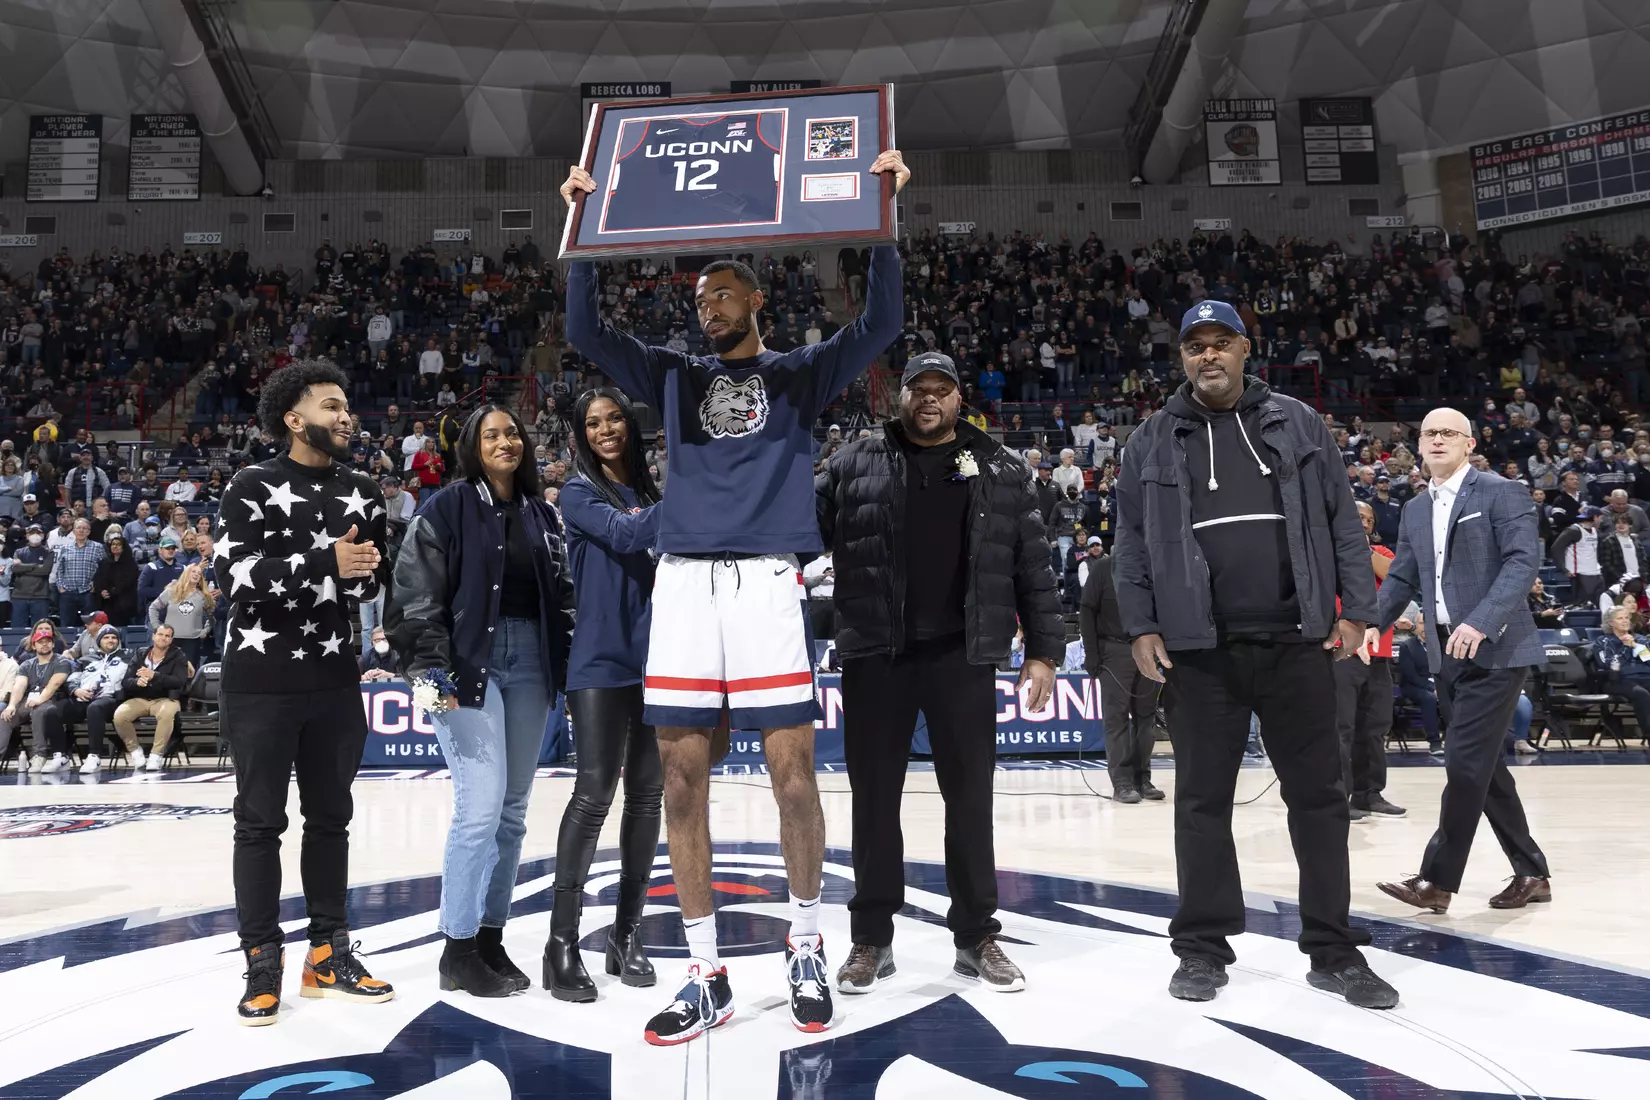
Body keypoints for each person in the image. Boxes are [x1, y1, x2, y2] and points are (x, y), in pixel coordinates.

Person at [560, 148, 909, 1045]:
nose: (706, 306)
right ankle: (705, 967)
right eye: (700, 297)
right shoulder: (674, 377)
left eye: (722, 293)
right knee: (680, 775)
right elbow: (591, 338)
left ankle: (804, 945)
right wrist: (585, 233)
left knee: (793, 775)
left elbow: (879, 325)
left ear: (757, 300)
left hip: (763, 583)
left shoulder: (800, 374)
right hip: (681, 584)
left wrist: (884, 215)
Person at [1112, 300, 1398, 1009]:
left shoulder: (1297, 422)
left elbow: (1340, 518)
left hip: (1297, 642)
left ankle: (1333, 949)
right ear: (1182, 358)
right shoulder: (1152, 439)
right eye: (1195, 346)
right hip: (1199, 652)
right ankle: (1203, 949)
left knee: (1320, 799)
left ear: (1246, 350)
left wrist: (1358, 608)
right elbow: (1132, 544)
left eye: (1221, 344)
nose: (1208, 356)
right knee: (1201, 803)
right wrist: (1142, 624)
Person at [817, 351, 1061, 994]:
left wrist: (1044, 651)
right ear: (900, 396)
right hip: (877, 655)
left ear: (960, 399)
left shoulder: (1002, 467)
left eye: (942, 390)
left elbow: (1032, 566)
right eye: (918, 389)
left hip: (964, 654)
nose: (929, 400)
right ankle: (871, 938)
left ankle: (977, 935)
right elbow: (794, 534)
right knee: (873, 802)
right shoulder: (853, 462)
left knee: (970, 801)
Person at [217, 361, 394, 1025]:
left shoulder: (364, 489)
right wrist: (327, 565)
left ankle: (330, 951)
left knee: (331, 820)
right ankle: (263, 959)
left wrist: (363, 577)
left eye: (347, 405)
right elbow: (235, 574)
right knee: (259, 823)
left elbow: (370, 586)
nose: (346, 415)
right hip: (261, 681)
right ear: (295, 419)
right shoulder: (252, 483)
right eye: (331, 405)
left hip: (332, 676)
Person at [388, 404, 573, 999]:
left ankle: (490, 937)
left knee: (513, 812)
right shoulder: (445, 506)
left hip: (531, 667)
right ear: (471, 445)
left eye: (513, 432)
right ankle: (456, 948)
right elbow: (414, 597)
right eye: (491, 434)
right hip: (464, 667)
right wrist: (428, 678)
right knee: (480, 806)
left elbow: (564, 601)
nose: (505, 441)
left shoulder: (544, 514)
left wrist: (565, 674)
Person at [1373, 407, 1552, 916]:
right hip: (1444, 651)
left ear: (1469, 443)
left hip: (1494, 645)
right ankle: (1532, 873)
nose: (1436, 440)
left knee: (1465, 764)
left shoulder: (1501, 491)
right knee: (1487, 770)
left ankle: (1436, 880)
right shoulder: (1414, 509)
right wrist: (1371, 625)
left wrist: (1481, 621)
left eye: (1448, 432)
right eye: (1428, 432)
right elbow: (1403, 578)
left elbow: (1523, 562)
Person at [545, 388, 664, 1002]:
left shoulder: (652, 493)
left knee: (648, 798)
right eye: (592, 422)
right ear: (580, 434)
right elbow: (622, 535)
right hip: (598, 658)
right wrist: (698, 498)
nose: (606, 429)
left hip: (659, 660)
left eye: (615, 417)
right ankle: (560, 943)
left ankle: (627, 933)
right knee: (593, 794)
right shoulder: (578, 493)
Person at [1336, 501, 1405, 821]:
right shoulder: (1329, 549)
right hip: (1342, 650)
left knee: (1375, 725)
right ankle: (1339, 793)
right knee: (1341, 726)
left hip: (1378, 653)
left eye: (1368, 519)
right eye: (1357, 517)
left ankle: (1369, 793)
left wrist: (1362, 549)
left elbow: (1393, 578)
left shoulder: (1384, 553)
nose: (1363, 521)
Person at [1078, 540, 1161, 803]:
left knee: (1146, 719)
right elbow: (1087, 611)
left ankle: (1142, 778)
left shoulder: (1151, 569)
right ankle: (1122, 783)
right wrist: (1092, 654)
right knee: (1116, 719)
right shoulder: (1103, 568)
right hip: (1113, 651)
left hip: (1148, 650)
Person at [37, 623, 129, 773]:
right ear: (99, 641)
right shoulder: (85, 659)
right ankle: (60, 757)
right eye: (106, 637)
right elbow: (72, 678)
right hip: (83, 697)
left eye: (114, 637)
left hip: (110, 699)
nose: (111, 640)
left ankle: (94, 756)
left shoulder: (127, 658)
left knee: (95, 708)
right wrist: (76, 690)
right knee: (52, 711)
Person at [112, 622, 191, 771]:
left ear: (171, 640)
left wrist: (155, 676)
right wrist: (137, 682)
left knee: (166, 714)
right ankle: (135, 751)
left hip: (166, 699)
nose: (164, 638)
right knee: (120, 715)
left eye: (167, 636)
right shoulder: (140, 654)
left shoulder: (178, 656)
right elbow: (126, 681)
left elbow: (179, 682)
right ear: (153, 636)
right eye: (160, 634)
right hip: (141, 699)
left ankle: (156, 754)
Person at [7, 627, 73, 774]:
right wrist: (11, 705)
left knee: (39, 711)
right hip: (29, 699)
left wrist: (39, 699)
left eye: (48, 641)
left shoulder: (62, 661)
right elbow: (20, 685)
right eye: (40, 642)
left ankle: (39, 755)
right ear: (33, 645)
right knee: (6, 715)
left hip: (52, 699)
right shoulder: (27, 664)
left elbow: (55, 684)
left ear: (53, 644)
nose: (45, 644)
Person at [1593, 604, 1650, 736]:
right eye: (1620, 618)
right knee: (1641, 694)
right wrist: (1626, 647)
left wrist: (1636, 646)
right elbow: (1608, 665)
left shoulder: (1641, 640)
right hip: (1618, 681)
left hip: (1645, 677)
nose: (1625, 621)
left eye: (1626, 617)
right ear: (1611, 623)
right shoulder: (1604, 641)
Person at [147, 562, 216, 668]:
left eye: (199, 573)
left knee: (188, 673)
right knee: (166, 670)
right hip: (170, 639)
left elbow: (212, 616)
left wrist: (205, 631)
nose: (196, 574)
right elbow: (153, 608)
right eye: (193, 571)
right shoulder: (171, 591)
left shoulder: (203, 596)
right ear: (186, 573)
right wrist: (157, 627)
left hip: (192, 641)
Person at [1549, 506, 1605, 604]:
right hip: (1580, 573)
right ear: (1595, 517)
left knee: (1597, 603)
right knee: (1583, 604)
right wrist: (1563, 569)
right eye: (1600, 518)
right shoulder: (1574, 530)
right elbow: (1556, 548)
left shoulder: (1595, 531)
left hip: (1595, 572)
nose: (1601, 520)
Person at [10, 523, 54, 628]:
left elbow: (45, 570)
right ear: (27, 535)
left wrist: (23, 567)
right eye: (32, 533)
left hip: (40, 596)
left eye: (38, 533)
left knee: (40, 628)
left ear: (43, 535)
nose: (35, 535)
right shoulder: (19, 552)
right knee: (17, 628)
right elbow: (15, 569)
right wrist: (35, 566)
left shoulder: (48, 552)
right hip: (19, 596)